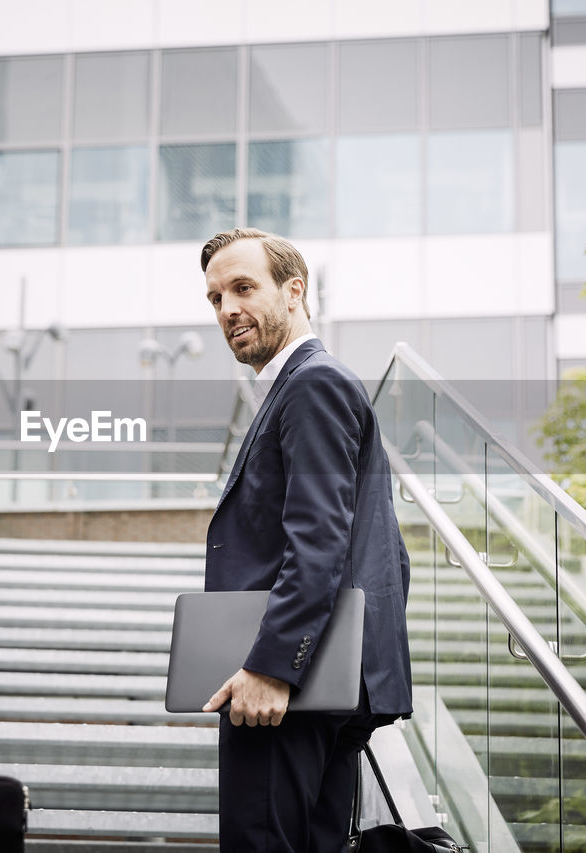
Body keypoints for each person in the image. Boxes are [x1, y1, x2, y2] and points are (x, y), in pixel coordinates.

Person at [198, 228, 414, 852]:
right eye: (214, 299)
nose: (227, 310)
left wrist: (271, 667)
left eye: (243, 288)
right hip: (323, 683)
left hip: (289, 688)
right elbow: (379, 548)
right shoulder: (310, 385)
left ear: (294, 292)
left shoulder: (311, 385)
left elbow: (319, 539)